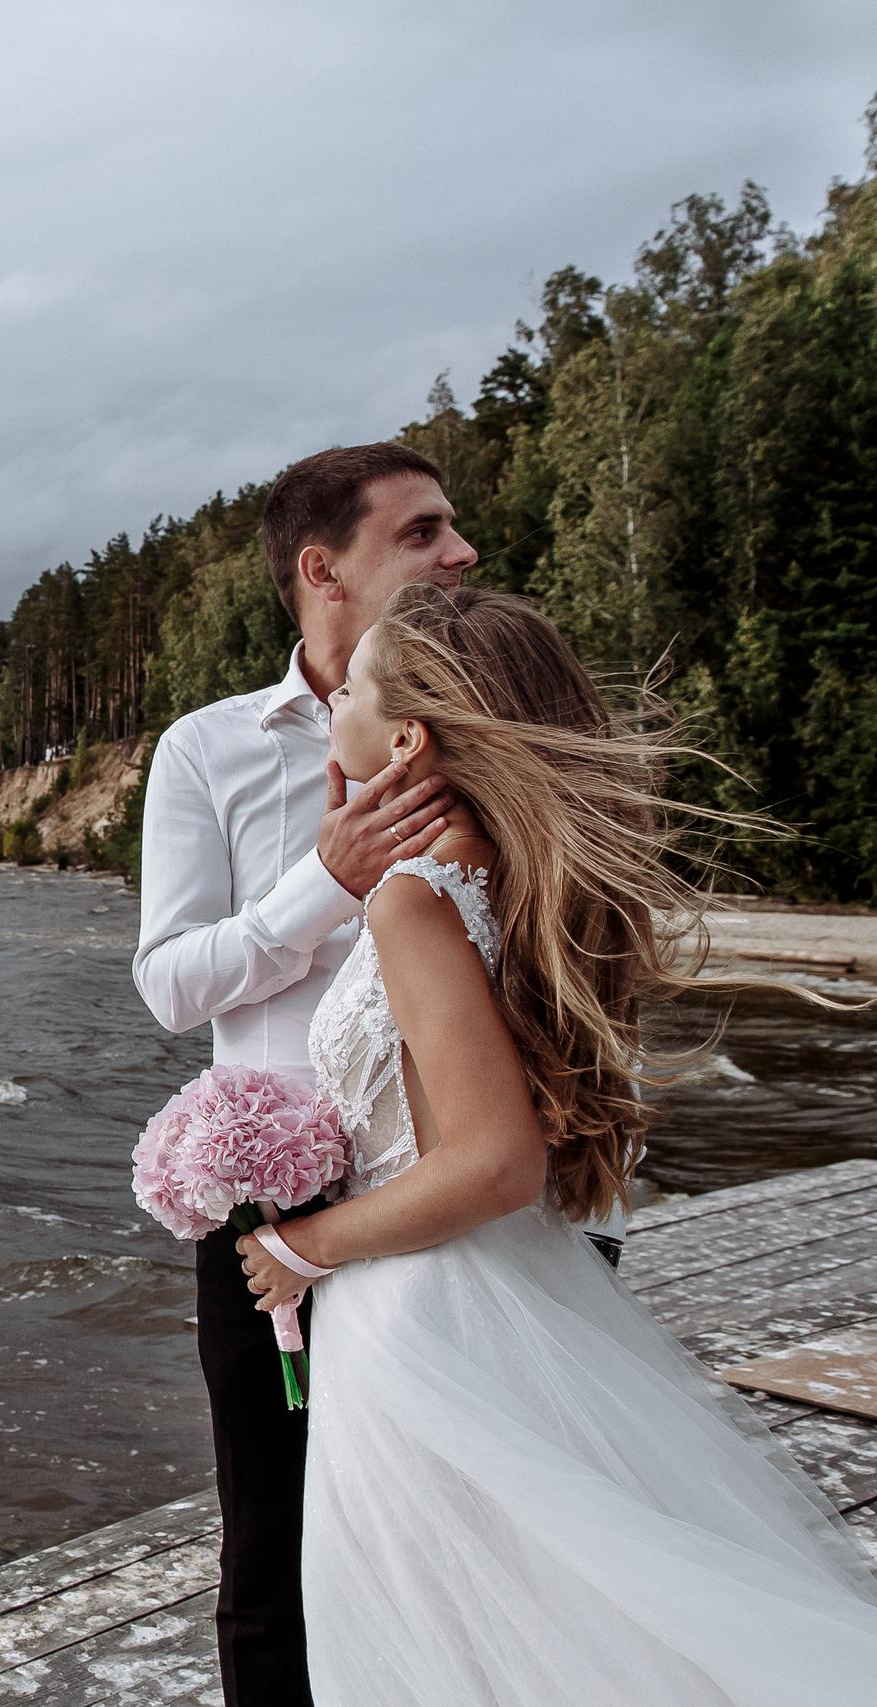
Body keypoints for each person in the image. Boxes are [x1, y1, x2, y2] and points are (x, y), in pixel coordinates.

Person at [236, 584, 877, 1702]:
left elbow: (493, 1161)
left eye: (352, 688)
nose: (331, 699)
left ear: (406, 738)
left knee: (452, 1643)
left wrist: (302, 1246)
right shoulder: (515, 875)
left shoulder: (414, 899)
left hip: (420, 1313)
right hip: (516, 1287)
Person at [133, 441, 477, 1703]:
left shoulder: (494, 725)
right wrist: (322, 883)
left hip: (476, 1196)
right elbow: (170, 987)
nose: (462, 553)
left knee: (466, 1536)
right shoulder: (206, 749)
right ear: (323, 570)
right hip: (276, 1204)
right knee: (271, 1552)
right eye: (422, 532)